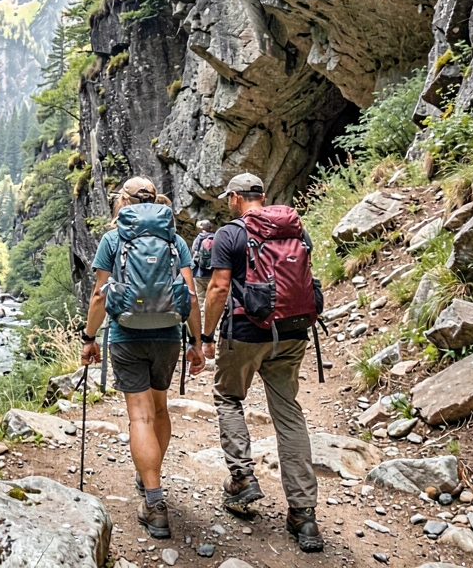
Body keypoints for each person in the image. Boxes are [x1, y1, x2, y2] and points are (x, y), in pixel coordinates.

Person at [196, 172, 323, 553]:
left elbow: (219, 288)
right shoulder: (296, 228)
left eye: (229, 199)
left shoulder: (230, 234)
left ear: (235, 198)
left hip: (246, 332)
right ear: (263, 196)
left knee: (228, 398)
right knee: (288, 413)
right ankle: (304, 515)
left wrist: (205, 336)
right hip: (293, 330)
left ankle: (242, 478)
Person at [80, 177, 202, 539]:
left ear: (123, 201)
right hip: (167, 335)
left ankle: (154, 501)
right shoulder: (174, 240)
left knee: (140, 417)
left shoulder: (113, 239)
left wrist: (89, 338)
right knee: (160, 410)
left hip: (126, 335)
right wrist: (198, 340)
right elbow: (191, 296)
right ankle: (151, 476)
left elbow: (99, 297)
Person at [192, 219, 216, 311]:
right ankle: (213, 324)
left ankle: (202, 323)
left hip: (198, 274)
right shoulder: (215, 238)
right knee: (212, 301)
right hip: (212, 275)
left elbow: (193, 254)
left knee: (200, 301)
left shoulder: (198, 239)